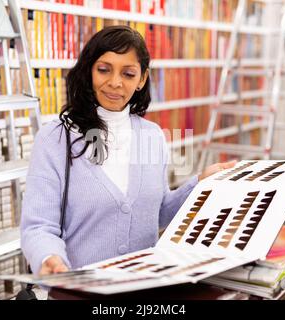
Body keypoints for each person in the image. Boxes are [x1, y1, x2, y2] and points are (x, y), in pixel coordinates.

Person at [21, 25, 235, 275]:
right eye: (104, 70)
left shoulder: (152, 136)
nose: (115, 83)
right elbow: (38, 226)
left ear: (141, 79)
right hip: (80, 290)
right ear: (89, 70)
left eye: (128, 74)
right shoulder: (55, 138)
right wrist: (49, 258)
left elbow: (156, 213)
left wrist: (200, 183)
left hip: (144, 289)